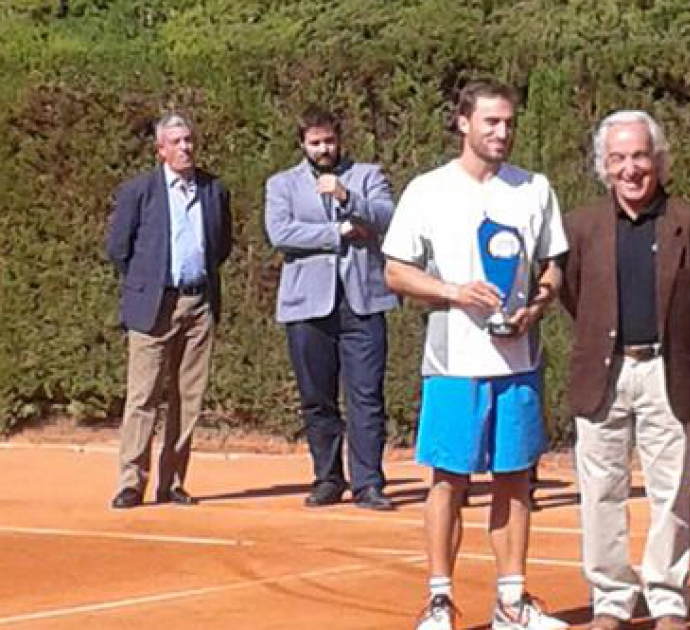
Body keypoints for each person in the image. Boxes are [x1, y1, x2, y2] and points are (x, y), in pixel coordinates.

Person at [383, 79, 568, 630]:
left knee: (516, 479)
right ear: (463, 122)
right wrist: (454, 292)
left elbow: (553, 265)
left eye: (509, 122)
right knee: (448, 480)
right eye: (491, 122)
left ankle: (512, 602)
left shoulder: (534, 188)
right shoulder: (427, 190)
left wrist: (538, 302)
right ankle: (440, 601)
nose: (502, 132)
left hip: (518, 364)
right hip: (453, 365)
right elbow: (395, 270)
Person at [560, 111, 690, 630]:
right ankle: (610, 602)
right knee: (600, 492)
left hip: (667, 372)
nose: (630, 169)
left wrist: (674, 345)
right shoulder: (580, 226)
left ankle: (668, 601)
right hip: (602, 376)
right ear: (603, 166)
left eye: (639, 156)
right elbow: (572, 295)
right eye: (618, 158)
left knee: (672, 492)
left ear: (658, 160)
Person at [264, 106, 398, 511]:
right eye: (315, 142)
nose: (323, 149)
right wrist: (338, 231)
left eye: (329, 141)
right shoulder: (282, 184)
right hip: (307, 304)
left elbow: (388, 216)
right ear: (303, 144)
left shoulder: (367, 176)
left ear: (340, 140)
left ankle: (368, 482)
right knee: (317, 396)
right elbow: (280, 232)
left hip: (362, 301)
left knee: (366, 395)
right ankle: (327, 477)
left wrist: (346, 198)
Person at [106, 113, 232, 509]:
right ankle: (131, 482)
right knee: (142, 396)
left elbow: (222, 245)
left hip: (199, 303)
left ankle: (173, 481)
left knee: (187, 397)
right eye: (176, 142)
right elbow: (118, 248)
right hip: (153, 305)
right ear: (161, 150)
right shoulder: (139, 191)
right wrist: (148, 281)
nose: (185, 148)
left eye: (189, 140)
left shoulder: (214, 190)